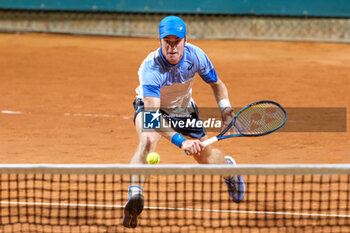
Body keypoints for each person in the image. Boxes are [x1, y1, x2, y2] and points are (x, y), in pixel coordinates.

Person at [122, 15, 245, 228]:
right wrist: (181, 141)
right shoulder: (150, 68)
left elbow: (217, 84)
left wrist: (225, 109)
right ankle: (135, 196)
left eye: (176, 42)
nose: (171, 47)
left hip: (183, 109)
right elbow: (152, 118)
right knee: (148, 141)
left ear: (185, 40)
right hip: (152, 109)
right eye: (166, 42)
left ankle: (229, 170)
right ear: (159, 41)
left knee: (204, 157)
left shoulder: (196, 56)